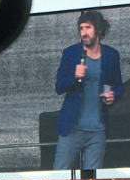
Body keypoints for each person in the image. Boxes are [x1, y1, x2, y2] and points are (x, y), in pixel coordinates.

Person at [52, 11, 124, 170]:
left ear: (98, 30)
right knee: (59, 175)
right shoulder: (71, 53)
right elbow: (59, 87)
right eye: (81, 28)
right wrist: (74, 76)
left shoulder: (111, 55)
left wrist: (113, 95)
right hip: (71, 129)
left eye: (88, 27)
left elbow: (119, 86)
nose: (84, 32)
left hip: (97, 130)